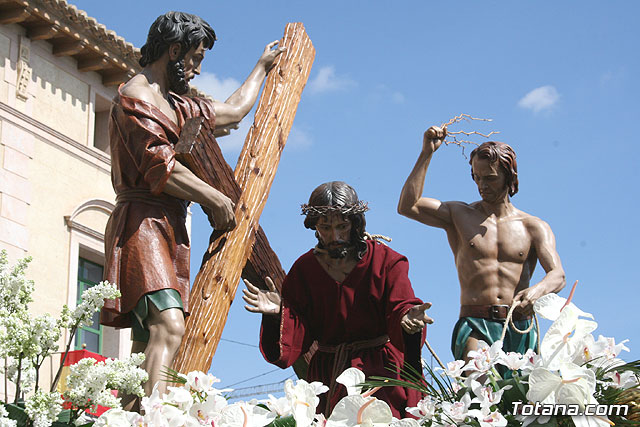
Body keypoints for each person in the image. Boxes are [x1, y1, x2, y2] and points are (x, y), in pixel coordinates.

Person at [100, 11, 284, 398]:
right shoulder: (137, 95)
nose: (198, 69)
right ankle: (156, 417)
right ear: (174, 49)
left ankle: (127, 413)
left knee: (146, 340)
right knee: (168, 326)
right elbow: (160, 166)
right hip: (141, 223)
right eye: (196, 58)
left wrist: (261, 67)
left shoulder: (176, 104)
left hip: (169, 226)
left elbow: (233, 112)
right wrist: (215, 197)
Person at [243, 181, 433, 418]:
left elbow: (400, 304)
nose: (335, 236)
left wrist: (408, 317)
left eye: (342, 226)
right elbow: (296, 333)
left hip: (381, 373)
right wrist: (279, 313)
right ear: (314, 226)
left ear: (355, 223)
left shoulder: (386, 260)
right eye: (325, 227)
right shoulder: (304, 270)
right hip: (328, 376)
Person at [397, 126, 566, 362]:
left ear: (509, 176)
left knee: (520, 396)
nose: (482, 185)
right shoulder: (458, 214)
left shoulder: (534, 226)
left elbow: (557, 274)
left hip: (519, 325)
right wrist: (427, 153)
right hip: (475, 323)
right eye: (477, 177)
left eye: (490, 178)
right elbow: (408, 206)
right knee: (478, 388)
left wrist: (536, 292)